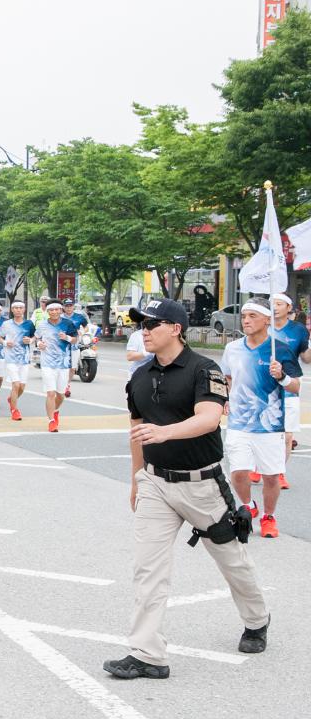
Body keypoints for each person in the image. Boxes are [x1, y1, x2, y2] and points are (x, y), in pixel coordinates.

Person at [102, 298, 269, 681]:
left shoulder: (203, 369)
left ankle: (257, 619)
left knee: (233, 561)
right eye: (140, 325)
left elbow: (209, 419)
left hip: (202, 485)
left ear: (175, 328)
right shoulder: (140, 376)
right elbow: (137, 430)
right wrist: (136, 477)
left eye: (151, 324)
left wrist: (166, 432)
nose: (143, 330)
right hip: (156, 483)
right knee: (148, 569)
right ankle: (148, 654)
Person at [220, 298, 301, 539]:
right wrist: (225, 397)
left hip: (269, 425)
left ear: (267, 320)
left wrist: (282, 376)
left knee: (270, 476)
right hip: (238, 422)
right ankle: (248, 506)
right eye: (244, 316)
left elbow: (296, 386)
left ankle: (269, 516)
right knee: (238, 472)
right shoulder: (232, 349)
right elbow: (227, 378)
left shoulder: (280, 349)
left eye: (252, 316)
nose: (246, 320)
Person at [271, 292, 309, 489]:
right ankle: (255, 466)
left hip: (290, 382)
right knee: (262, 431)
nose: (275, 307)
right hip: (264, 384)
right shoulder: (263, 327)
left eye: (279, 303)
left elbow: (307, 358)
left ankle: (279, 473)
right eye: (272, 304)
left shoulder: (298, 330)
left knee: (286, 435)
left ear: (288, 308)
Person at [34, 299, 77, 432]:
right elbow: (37, 338)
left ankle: (56, 411)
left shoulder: (68, 324)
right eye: (51, 310)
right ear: (47, 312)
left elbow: (76, 339)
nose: (54, 312)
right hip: (47, 363)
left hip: (63, 364)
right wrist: (38, 344)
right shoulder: (42, 325)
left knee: (61, 394)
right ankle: (51, 421)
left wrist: (67, 338)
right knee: (51, 393)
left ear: (60, 310)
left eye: (56, 309)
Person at [1, 301, 35, 421]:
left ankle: (12, 399)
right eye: (15, 308)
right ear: (12, 309)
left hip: (24, 359)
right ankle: (14, 410)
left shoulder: (29, 324)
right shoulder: (6, 324)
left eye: (20, 308)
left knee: (21, 387)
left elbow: (34, 336)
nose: (18, 310)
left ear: (24, 309)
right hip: (10, 359)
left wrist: (30, 340)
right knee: (15, 384)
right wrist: (5, 342)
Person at [63, 298, 89, 398]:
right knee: (64, 367)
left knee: (72, 367)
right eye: (67, 306)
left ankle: (67, 385)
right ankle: (63, 385)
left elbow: (86, 326)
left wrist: (82, 331)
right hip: (62, 345)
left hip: (74, 345)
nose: (69, 308)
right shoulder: (60, 317)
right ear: (63, 307)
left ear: (73, 306)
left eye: (70, 306)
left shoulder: (79, 317)